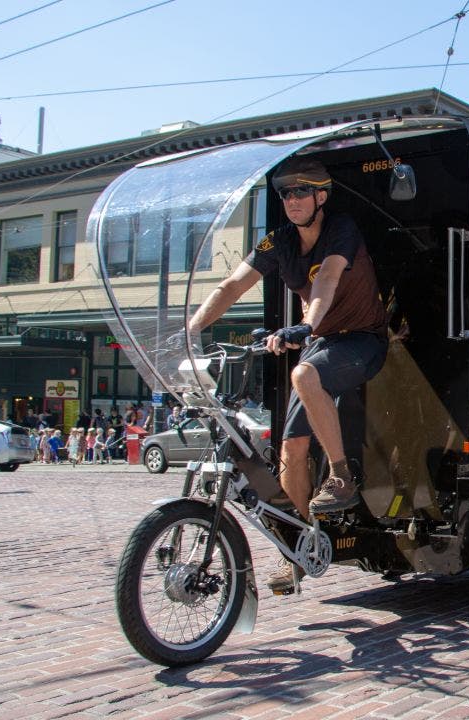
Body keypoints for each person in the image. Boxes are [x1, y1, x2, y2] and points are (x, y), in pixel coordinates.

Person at [187, 159, 389, 592]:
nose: (292, 200)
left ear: (321, 196)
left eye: (302, 192)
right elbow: (230, 287)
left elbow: (328, 280)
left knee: (303, 375)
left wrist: (306, 326)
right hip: (321, 342)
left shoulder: (341, 229)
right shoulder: (278, 241)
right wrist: (189, 331)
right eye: (286, 194)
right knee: (291, 452)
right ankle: (294, 555)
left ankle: (342, 478)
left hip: (362, 339)